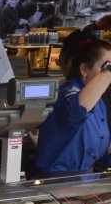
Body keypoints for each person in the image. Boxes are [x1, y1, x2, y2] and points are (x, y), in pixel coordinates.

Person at [34, 36, 111, 177]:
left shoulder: (99, 102)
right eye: (105, 66)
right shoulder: (68, 92)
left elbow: (102, 146)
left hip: (87, 180)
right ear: (84, 69)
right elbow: (75, 112)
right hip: (57, 181)